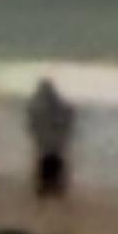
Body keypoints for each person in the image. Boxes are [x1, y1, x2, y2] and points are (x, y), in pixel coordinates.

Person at [24, 73, 75, 204]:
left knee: (44, 163)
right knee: (55, 163)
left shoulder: (35, 103)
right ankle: (55, 187)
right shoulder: (60, 103)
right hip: (56, 141)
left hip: (44, 141)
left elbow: (32, 121)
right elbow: (68, 116)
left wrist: (35, 134)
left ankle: (45, 188)